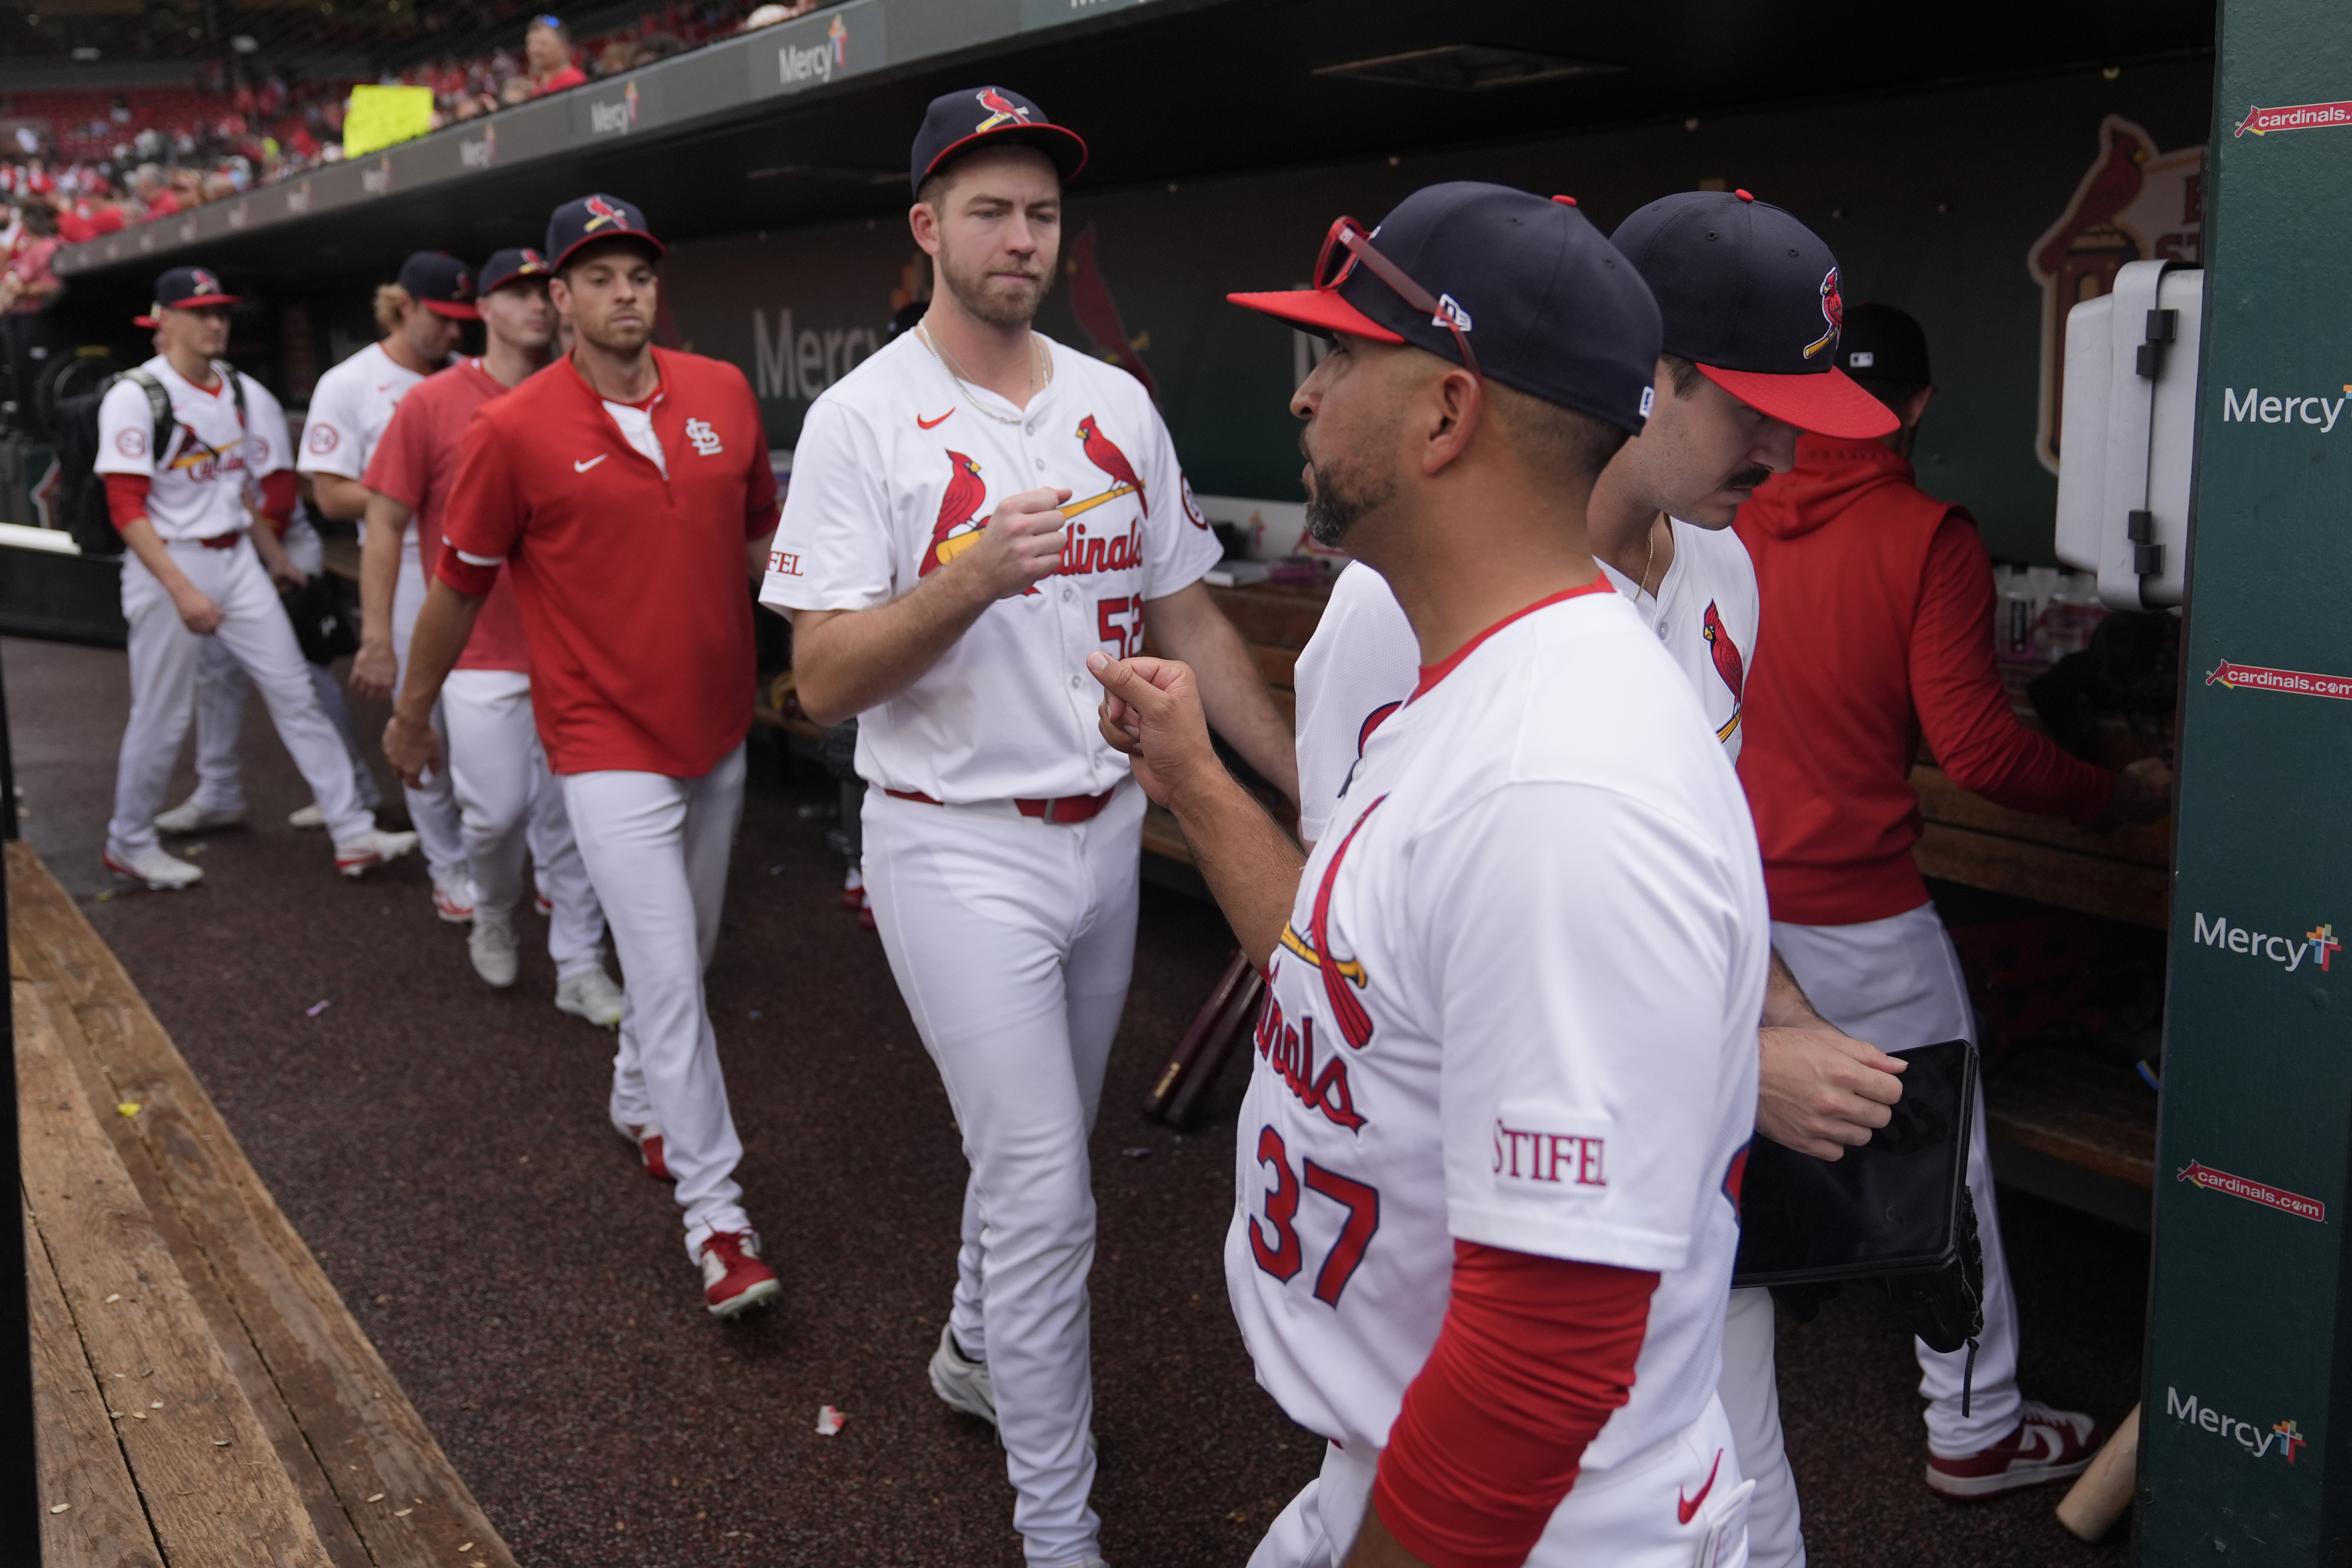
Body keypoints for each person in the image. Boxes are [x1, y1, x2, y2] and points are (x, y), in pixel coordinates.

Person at [1091, 181, 1768, 1568]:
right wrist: (1198, 780)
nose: (1305, 394)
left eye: (1339, 357)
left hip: (1536, 1522)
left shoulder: (1560, 778)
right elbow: (1349, 978)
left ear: (1447, 415)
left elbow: (1542, 1359)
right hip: (1423, 1468)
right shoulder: (1473, 682)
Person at [1271, 189, 1924, 1568]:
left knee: (1715, 1460)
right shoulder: (1408, 616)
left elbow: (1665, 873)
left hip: (1572, 1333)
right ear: (1651, 375)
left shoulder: (1684, 609)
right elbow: (1361, 955)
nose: (1786, 440)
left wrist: (1772, 1021)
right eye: (1747, 399)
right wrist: (1745, 1060)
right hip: (1468, 1257)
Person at [765, 87, 1297, 1568]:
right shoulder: (865, 415)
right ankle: (1057, 1533)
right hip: (952, 843)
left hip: (1104, 837)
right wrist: (964, 581)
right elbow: (815, 681)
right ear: (927, 228)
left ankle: (968, 1350)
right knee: (1049, 1198)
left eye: (1042, 212)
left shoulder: (1111, 400)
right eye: (989, 209)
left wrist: (1299, 773)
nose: (1020, 235)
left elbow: (1187, 604)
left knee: (1030, 1158)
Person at [1734, 301, 2171, 1497]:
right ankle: (1974, 1429)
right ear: (1919, 406)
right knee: (1944, 1156)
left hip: (1728, 905)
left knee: (1739, 1130)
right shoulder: (1927, 533)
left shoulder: (1733, 513)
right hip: (1861, 914)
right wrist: (2114, 798)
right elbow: (1978, 751)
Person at [387, 194, 783, 1318]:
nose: (625, 293)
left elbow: (767, 546)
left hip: (717, 727)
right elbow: (459, 587)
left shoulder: (721, 392)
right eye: (599, 276)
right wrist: (414, 713)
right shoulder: (512, 430)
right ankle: (719, 1220)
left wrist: (855, 646)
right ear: (558, 298)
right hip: (601, 740)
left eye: (639, 275)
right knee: (662, 974)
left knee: (687, 962)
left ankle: (634, 1093)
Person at [362, 245, 625, 1026]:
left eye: (540, 294)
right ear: (482, 308)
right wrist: (379, 633)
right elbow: (384, 521)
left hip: (572, 648)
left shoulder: (587, 393)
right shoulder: (435, 402)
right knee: (497, 814)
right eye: (513, 294)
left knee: (576, 818)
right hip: (480, 648)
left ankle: (578, 962)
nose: (534, 309)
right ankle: (493, 910)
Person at [98, 265, 417, 889]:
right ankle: (128, 840)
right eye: (201, 312)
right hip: (171, 560)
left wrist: (274, 558)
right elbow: (125, 508)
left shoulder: (240, 392)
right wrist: (181, 588)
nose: (216, 323)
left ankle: (352, 831)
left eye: (221, 312)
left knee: (295, 689)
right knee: (162, 715)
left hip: (238, 556)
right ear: (163, 322)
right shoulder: (136, 395)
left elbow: (241, 492)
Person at [312, 251, 477, 923]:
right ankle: (449, 866)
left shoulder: (474, 378)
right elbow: (328, 494)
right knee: (423, 721)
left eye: (465, 318)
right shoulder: (350, 382)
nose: (455, 333)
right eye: (443, 318)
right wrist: (415, 489)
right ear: (403, 305)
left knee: (498, 720)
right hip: (406, 565)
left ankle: (521, 858)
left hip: (480, 565)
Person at [154, 372, 387, 841]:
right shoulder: (173, 390)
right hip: (236, 556)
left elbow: (278, 495)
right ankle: (218, 790)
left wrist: (260, 569)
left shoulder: (247, 394)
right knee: (217, 673)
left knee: (305, 679)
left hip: (278, 551)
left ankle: (356, 790)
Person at [524, 15, 588, 95]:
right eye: (531, 44)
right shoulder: (537, 91)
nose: (535, 50)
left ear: (563, 48)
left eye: (542, 44)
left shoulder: (574, 83)